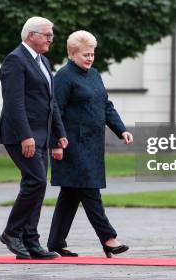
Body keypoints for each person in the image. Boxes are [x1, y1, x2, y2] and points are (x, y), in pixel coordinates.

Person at [47, 30, 133, 258]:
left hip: (93, 145)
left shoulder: (94, 75)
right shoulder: (64, 77)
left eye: (92, 54)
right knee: (89, 190)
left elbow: (105, 105)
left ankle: (55, 242)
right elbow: (54, 110)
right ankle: (108, 238)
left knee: (71, 194)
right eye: (86, 54)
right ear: (73, 54)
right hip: (71, 145)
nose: (90, 58)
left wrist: (121, 129)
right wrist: (55, 143)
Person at [0, 17, 68, 259]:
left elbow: (51, 103)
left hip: (42, 134)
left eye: (51, 34)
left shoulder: (43, 61)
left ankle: (31, 242)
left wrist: (59, 134)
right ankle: (11, 232)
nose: (51, 38)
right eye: (47, 34)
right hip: (21, 135)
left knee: (37, 186)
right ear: (31, 35)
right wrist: (25, 136)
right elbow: (14, 103)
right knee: (35, 181)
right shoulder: (15, 60)